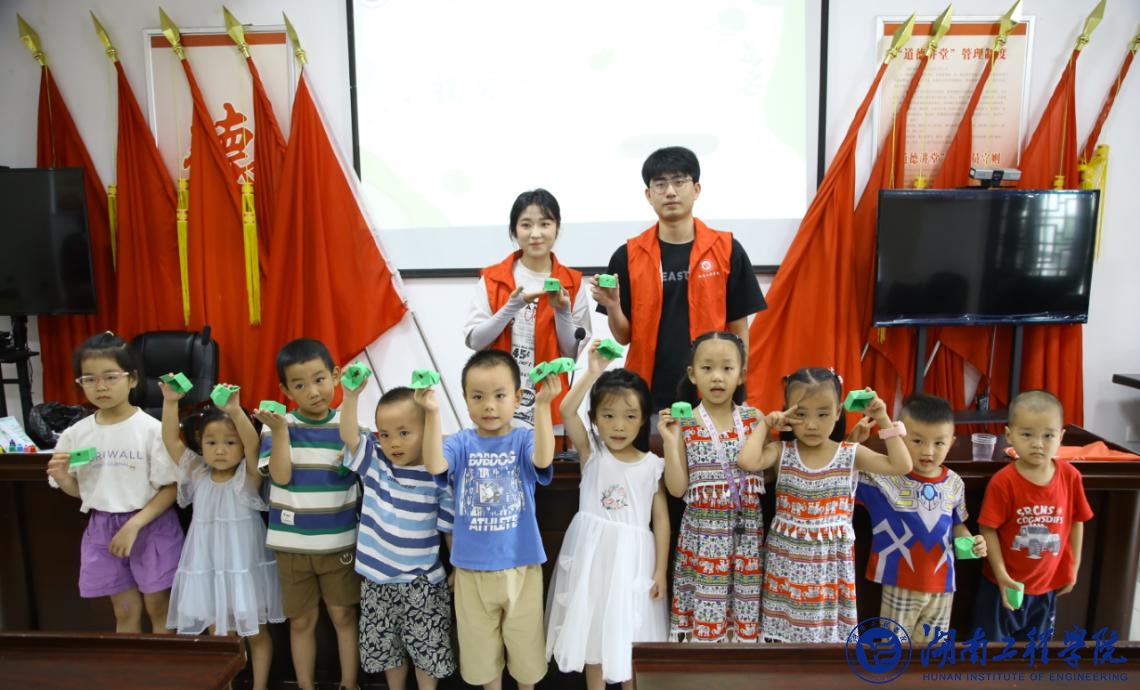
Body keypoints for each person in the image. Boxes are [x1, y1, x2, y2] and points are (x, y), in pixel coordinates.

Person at [420, 349, 562, 690]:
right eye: (478, 397)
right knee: (483, 660)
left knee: (526, 657)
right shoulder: (461, 443)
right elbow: (435, 464)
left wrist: (544, 407)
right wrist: (433, 412)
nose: (489, 406)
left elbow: (543, 459)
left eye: (500, 396)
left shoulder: (523, 439)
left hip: (521, 566)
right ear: (466, 400)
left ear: (517, 397)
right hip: (471, 571)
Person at [737, 368, 911, 643]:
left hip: (828, 571)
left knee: (824, 644)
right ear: (788, 412)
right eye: (801, 414)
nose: (812, 425)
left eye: (822, 414)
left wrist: (882, 418)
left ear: (838, 412)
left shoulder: (849, 454)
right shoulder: (782, 452)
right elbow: (747, 461)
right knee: (782, 643)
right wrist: (766, 424)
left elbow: (901, 465)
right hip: (787, 568)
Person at [592, 146, 766, 412]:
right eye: (660, 184)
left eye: (679, 182)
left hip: (712, 390)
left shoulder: (727, 249)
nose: (670, 192)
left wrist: (739, 380)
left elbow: (738, 327)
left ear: (696, 189)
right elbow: (623, 337)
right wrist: (613, 306)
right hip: (646, 392)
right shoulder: (627, 255)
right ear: (649, 195)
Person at [545, 342, 669, 688]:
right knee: (593, 638)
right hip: (593, 561)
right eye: (608, 415)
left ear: (643, 420)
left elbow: (660, 520)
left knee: (630, 640)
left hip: (633, 563)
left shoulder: (652, 465)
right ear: (595, 418)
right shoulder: (592, 452)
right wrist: (592, 371)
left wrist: (660, 570)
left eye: (630, 416)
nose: (618, 426)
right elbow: (567, 410)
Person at [46, 332, 184, 633]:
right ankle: (132, 664)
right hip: (102, 527)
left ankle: (165, 664)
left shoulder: (151, 430)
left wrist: (134, 525)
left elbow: (172, 487)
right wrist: (64, 479)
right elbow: (83, 492)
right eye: (89, 379)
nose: (100, 386)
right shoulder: (76, 434)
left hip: (150, 525)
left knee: (158, 606)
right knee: (124, 610)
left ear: (132, 379)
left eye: (110, 377)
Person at [252, 338, 361, 690]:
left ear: (335, 375)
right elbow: (281, 476)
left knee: (344, 616)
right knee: (300, 622)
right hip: (292, 547)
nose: (313, 391)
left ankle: (349, 683)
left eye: (319, 379)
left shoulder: (349, 426)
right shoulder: (277, 425)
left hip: (339, 543)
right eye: (299, 385)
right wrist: (280, 430)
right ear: (285, 391)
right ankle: (305, 685)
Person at [160, 381, 283, 690]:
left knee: (256, 631)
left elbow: (254, 446)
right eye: (211, 442)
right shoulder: (198, 473)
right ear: (200, 444)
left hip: (245, 567)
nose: (219, 450)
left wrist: (235, 411)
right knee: (218, 634)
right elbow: (171, 441)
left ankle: (259, 686)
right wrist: (170, 402)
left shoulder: (248, 476)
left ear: (240, 447)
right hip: (208, 567)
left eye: (230, 442)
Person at [339, 379, 457, 690]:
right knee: (388, 651)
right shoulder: (375, 462)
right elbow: (350, 436)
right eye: (385, 434)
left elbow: (449, 527)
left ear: (426, 430)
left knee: (427, 651)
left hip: (422, 584)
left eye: (404, 433)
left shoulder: (437, 475)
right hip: (377, 581)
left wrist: (457, 567)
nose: (394, 443)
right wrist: (350, 397)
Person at [853, 393, 985, 647]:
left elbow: (957, 525)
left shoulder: (954, 483)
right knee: (894, 650)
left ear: (951, 442)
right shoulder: (885, 478)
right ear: (900, 436)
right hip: (899, 582)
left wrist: (972, 542)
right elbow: (843, 472)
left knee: (933, 653)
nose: (928, 451)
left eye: (939, 443)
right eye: (917, 440)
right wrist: (853, 442)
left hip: (943, 586)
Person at [658, 331, 764, 643]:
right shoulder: (684, 423)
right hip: (703, 539)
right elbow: (677, 489)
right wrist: (669, 442)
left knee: (742, 622)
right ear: (693, 374)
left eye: (727, 368)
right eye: (707, 368)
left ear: (741, 374)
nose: (717, 376)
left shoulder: (754, 419)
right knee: (704, 624)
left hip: (746, 537)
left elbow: (768, 473)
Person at [973, 390, 1092, 642]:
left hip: (1046, 587)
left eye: (1048, 435)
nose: (1038, 443)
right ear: (1009, 436)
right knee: (989, 652)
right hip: (1001, 586)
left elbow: (1077, 522)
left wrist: (1073, 569)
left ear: (1061, 437)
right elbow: (987, 528)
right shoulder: (1003, 482)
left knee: (1035, 653)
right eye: (1027, 434)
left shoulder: (1070, 477)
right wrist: (1002, 576)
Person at [464, 188, 591, 426]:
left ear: (557, 228)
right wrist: (511, 307)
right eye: (526, 225)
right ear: (514, 230)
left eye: (545, 224)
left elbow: (570, 354)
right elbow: (476, 341)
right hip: (496, 406)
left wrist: (562, 311)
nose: (536, 233)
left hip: (550, 404)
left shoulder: (571, 282)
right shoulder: (492, 279)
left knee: (547, 452)